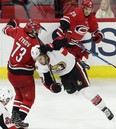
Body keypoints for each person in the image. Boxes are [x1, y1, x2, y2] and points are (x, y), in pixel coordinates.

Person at [31, 44, 114, 121]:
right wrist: (52, 87)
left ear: (44, 53)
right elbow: (46, 81)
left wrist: (50, 45)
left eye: (40, 58)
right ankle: (66, 85)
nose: (40, 61)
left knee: (86, 92)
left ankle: (104, 108)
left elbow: (63, 41)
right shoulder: (39, 66)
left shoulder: (54, 51)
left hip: (75, 68)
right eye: (38, 60)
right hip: (64, 75)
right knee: (72, 92)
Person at [2, 19, 45, 128]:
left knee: (19, 95)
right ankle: (19, 121)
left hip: (11, 74)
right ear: (33, 31)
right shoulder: (37, 44)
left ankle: (14, 117)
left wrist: (13, 22)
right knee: (29, 99)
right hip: (24, 76)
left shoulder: (18, 31)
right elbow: (44, 59)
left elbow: (5, 29)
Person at [52, 0, 104, 69]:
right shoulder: (77, 13)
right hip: (62, 38)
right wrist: (67, 30)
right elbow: (64, 20)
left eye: (89, 9)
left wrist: (98, 36)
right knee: (63, 54)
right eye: (86, 9)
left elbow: (95, 29)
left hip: (74, 41)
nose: (87, 11)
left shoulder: (91, 18)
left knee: (83, 52)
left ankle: (80, 63)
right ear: (83, 8)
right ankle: (58, 64)